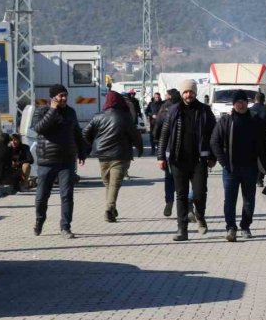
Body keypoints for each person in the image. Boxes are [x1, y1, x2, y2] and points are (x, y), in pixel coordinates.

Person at [210, 90, 266, 242]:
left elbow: (265, 145)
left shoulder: (256, 121)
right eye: (238, 102)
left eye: (243, 101)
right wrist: (223, 162)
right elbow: (214, 141)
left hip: (250, 168)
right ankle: (231, 227)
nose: (241, 104)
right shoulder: (226, 121)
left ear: (248, 103)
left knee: (249, 199)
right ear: (233, 104)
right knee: (230, 200)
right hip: (230, 169)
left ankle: (245, 226)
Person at [157, 79, 217, 241]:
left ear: (195, 93)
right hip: (178, 160)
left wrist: (213, 156)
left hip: (199, 160)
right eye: (185, 92)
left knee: (199, 194)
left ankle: (200, 215)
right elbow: (164, 134)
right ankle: (181, 229)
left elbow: (214, 135)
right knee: (181, 195)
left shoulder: (204, 111)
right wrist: (160, 156)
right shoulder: (174, 111)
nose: (188, 94)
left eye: (191, 91)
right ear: (182, 93)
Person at [31, 84, 89, 239]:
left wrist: (82, 152)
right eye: (60, 95)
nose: (64, 98)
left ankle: (65, 227)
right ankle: (39, 220)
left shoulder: (70, 112)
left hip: (67, 160)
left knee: (67, 195)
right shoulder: (41, 111)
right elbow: (39, 128)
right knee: (42, 196)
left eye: (65, 95)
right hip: (46, 160)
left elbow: (77, 132)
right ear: (53, 97)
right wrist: (53, 110)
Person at [83, 91, 143, 222]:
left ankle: (111, 207)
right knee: (114, 184)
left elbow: (85, 133)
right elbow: (135, 135)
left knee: (108, 183)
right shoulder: (125, 116)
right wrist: (140, 148)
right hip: (120, 155)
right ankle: (109, 209)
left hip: (102, 156)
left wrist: (89, 147)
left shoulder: (98, 116)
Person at [154, 89, 187, 218]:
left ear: (169, 97)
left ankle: (169, 200)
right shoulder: (184, 108)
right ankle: (188, 202)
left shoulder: (164, 108)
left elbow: (157, 126)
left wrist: (157, 142)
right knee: (186, 178)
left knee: (169, 177)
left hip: (168, 148)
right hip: (184, 148)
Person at [249, 91, 266, 186]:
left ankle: (257, 179)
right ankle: (262, 178)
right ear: (264, 100)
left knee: (254, 158)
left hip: (251, 138)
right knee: (264, 158)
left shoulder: (249, 110)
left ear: (254, 99)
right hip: (264, 138)